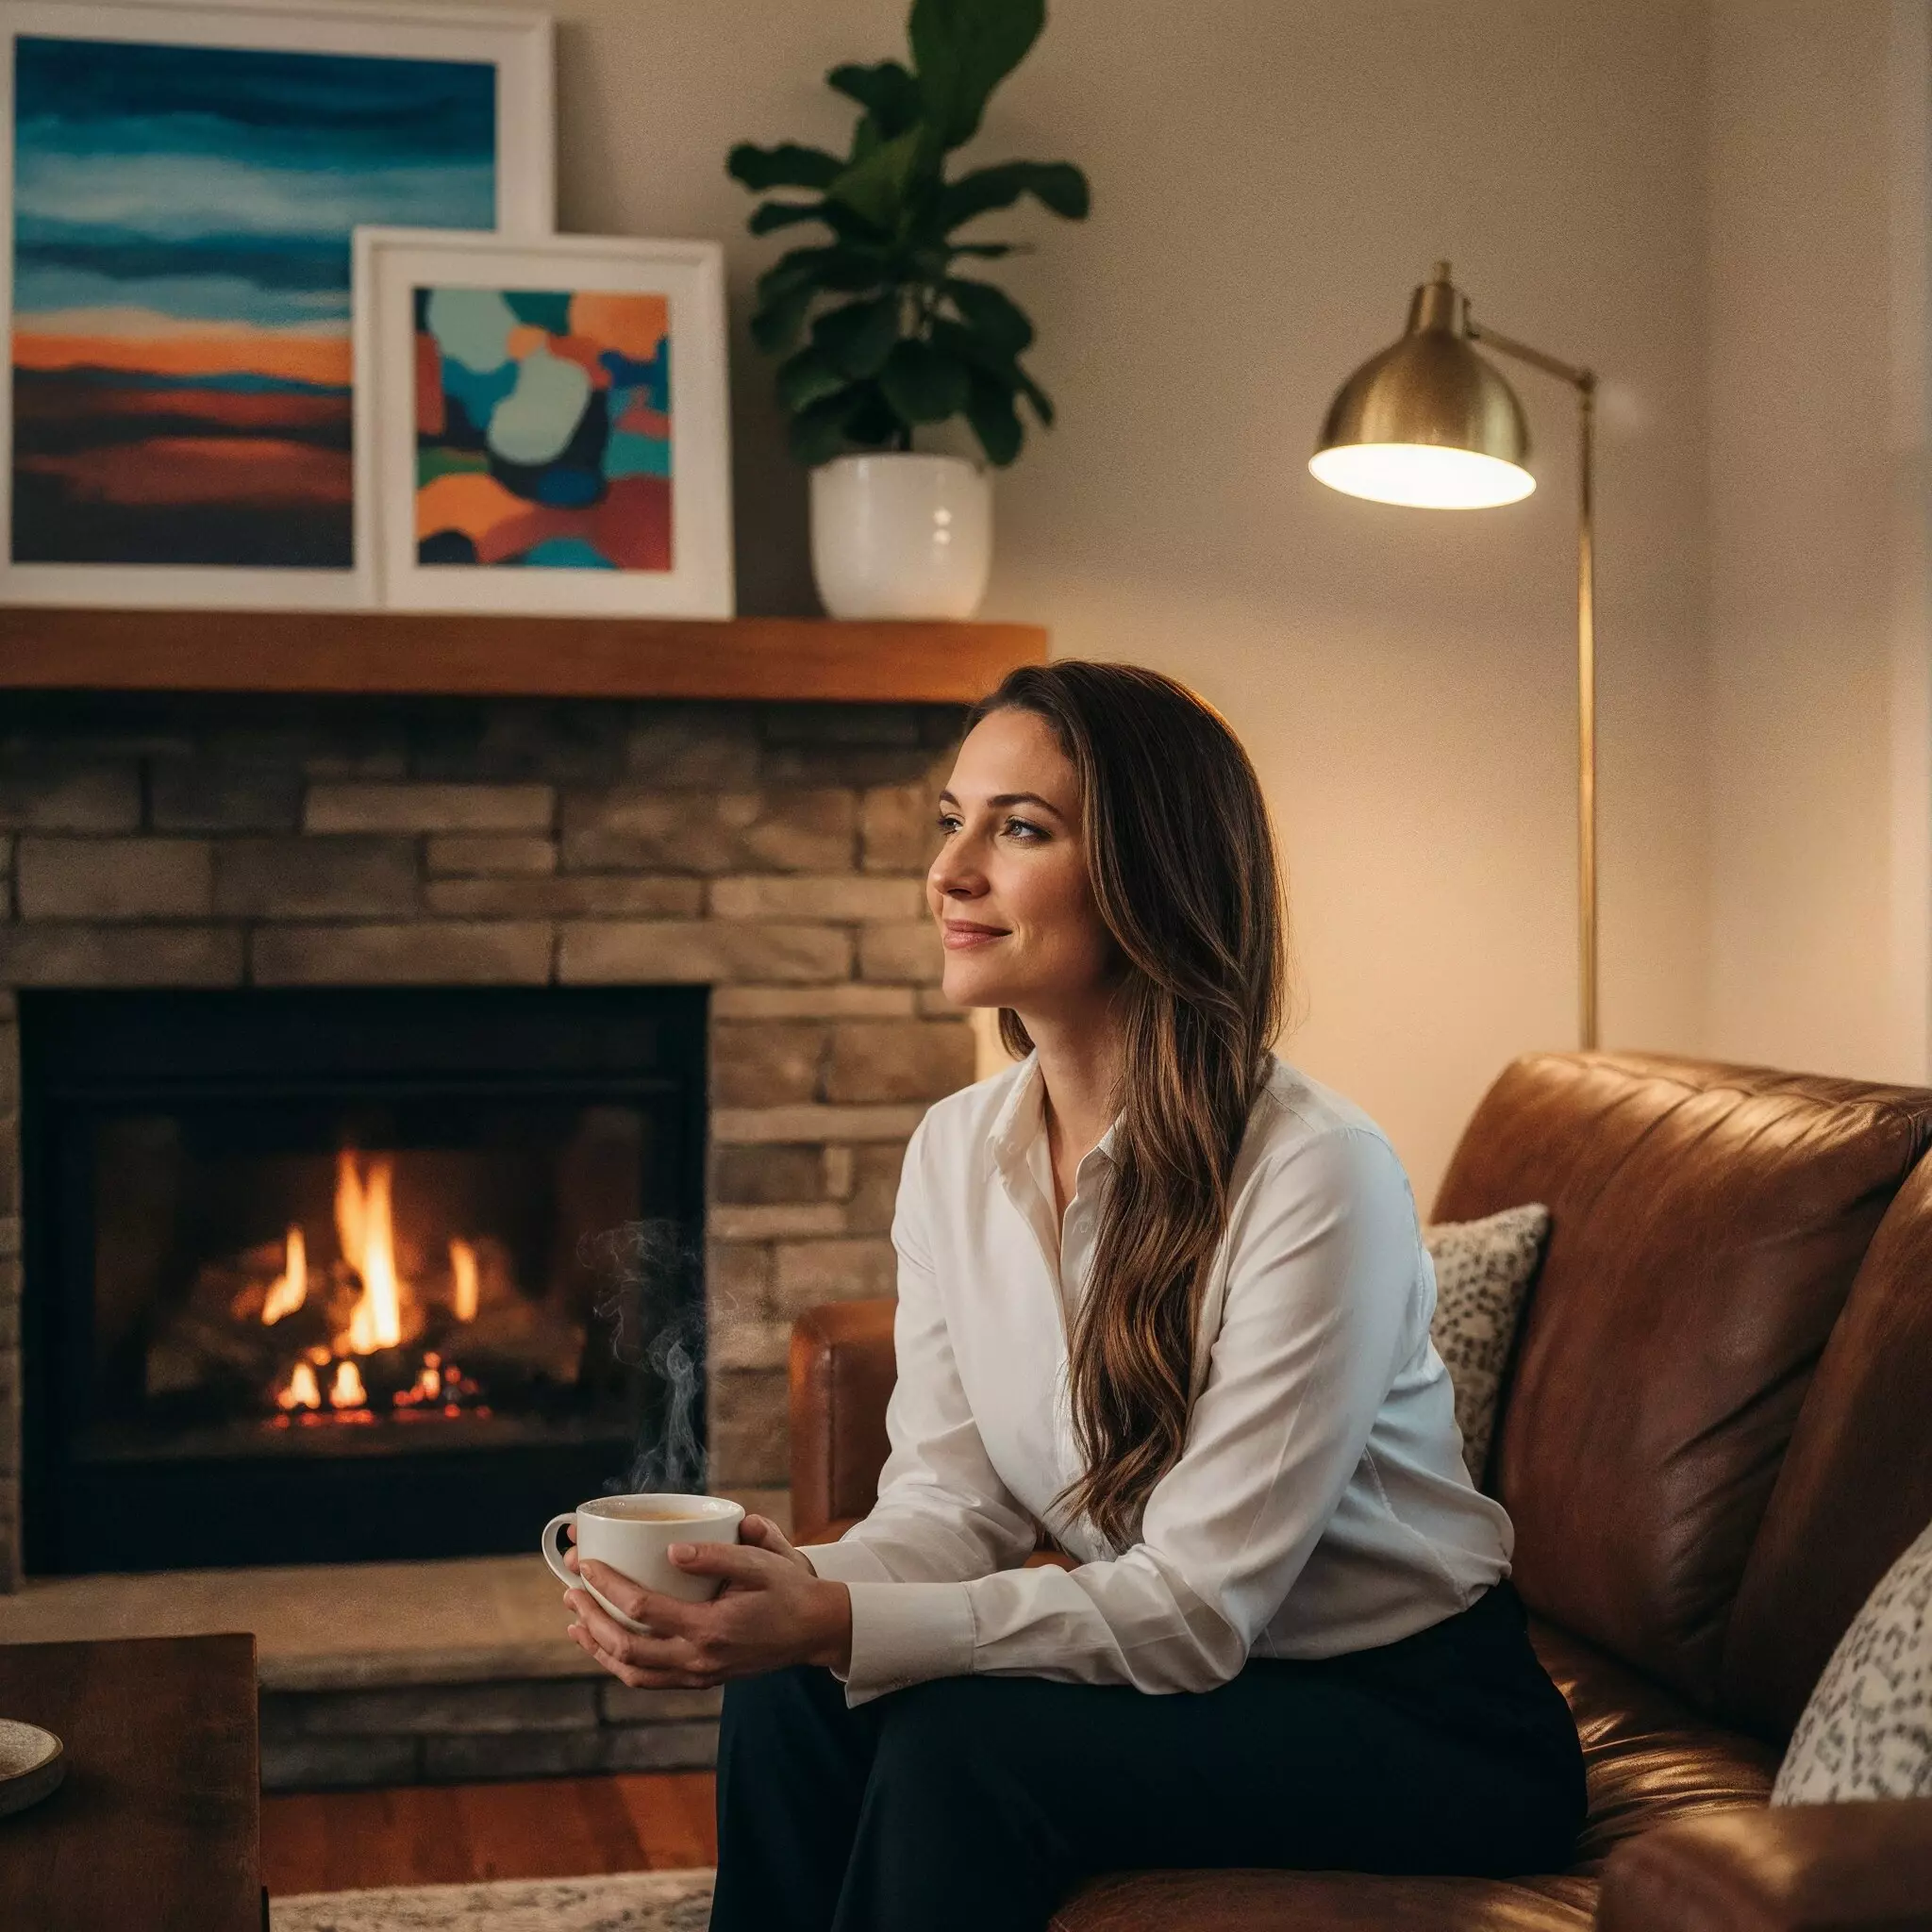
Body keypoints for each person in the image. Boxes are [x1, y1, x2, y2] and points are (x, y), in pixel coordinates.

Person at [560, 660, 1588, 1932]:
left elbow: (1201, 1610)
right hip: (1214, 1685)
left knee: (959, 1754)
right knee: (794, 1691)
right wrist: (790, 1595)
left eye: (1022, 829)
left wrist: (839, 1617)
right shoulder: (955, 1150)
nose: (952, 871)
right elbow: (953, 1500)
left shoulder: (1316, 1174)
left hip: (1419, 1718)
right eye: (954, 821)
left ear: (1151, 879)